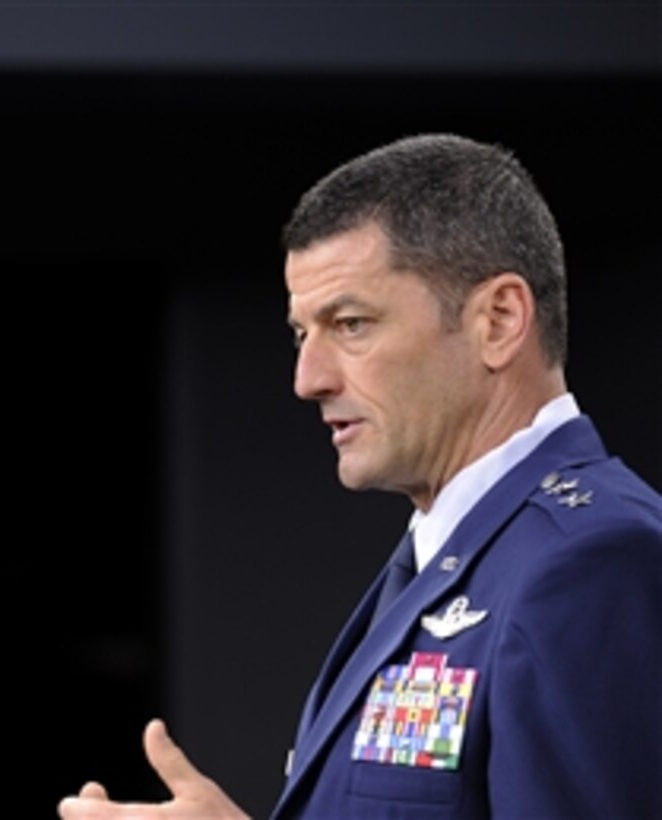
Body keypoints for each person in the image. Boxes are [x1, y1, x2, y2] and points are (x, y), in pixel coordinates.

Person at [57, 133, 662, 819]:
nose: (307, 380)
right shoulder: (460, 548)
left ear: (499, 321)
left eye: (349, 323)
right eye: (300, 333)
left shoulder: (594, 562)